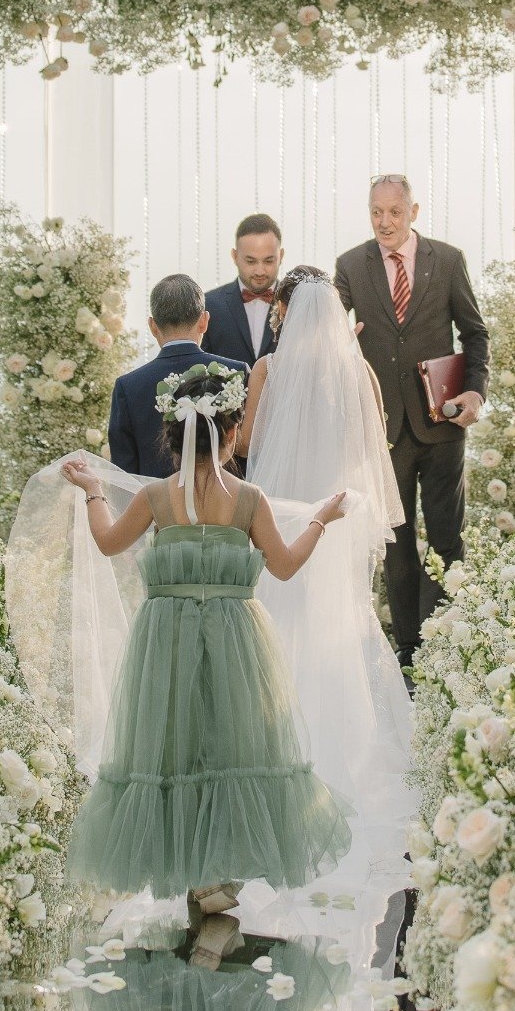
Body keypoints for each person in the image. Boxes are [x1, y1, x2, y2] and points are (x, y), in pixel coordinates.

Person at [53, 364, 351, 941]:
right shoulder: (248, 500)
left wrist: (93, 491)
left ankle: (196, 874)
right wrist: (321, 517)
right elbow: (285, 566)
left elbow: (108, 541)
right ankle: (220, 876)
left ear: (171, 434)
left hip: (165, 642)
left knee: (176, 748)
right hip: (238, 639)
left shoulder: (155, 499)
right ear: (234, 432)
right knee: (233, 746)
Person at [237, 266, 411, 854]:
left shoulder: (268, 369)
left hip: (285, 516)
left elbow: (245, 445)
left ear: (283, 313)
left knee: (282, 629)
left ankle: (280, 757)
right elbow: (375, 442)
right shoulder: (357, 371)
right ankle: (347, 757)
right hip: (337, 521)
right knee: (341, 629)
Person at [334, 175, 490, 668]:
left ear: (414, 211)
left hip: (441, 424)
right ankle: (408, 649)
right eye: (376, 212)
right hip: (383, 428)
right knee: (396, 542)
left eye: (394, 213)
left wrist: (475, 392)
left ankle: (441, 642)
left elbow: (475, 334)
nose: (384, 222)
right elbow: (326, 328)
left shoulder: (447, 260)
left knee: (446, 537)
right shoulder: (350, 266)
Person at [107, 274, 247, 480]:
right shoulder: (237, 373)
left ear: (153, 326)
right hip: (226, 506)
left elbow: (123, 473)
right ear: (204, 321)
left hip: (155, 509)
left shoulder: (128, 387)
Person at [202, 215, 284, 368]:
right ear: (234, 256)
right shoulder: (209, 304)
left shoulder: (296, 304)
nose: (260, 271)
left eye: (268, 261)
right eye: (251, 261)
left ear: (281, 256)